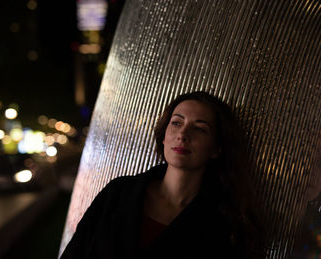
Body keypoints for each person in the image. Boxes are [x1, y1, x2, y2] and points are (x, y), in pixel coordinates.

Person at [60, 91, 257, 259]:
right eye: (177, 123)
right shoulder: (118, 192)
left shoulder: (223, 224)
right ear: (164, 136)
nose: (183, 134)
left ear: (216, 148)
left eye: (199, 128)